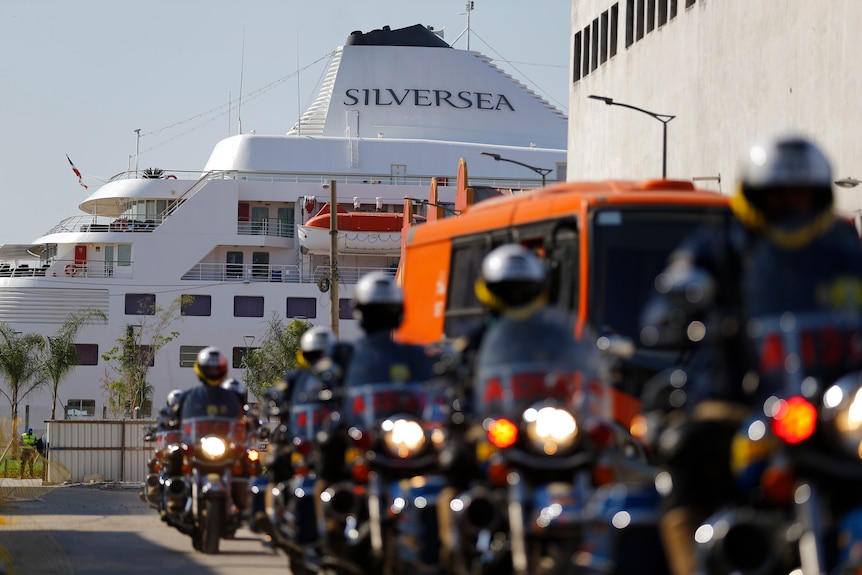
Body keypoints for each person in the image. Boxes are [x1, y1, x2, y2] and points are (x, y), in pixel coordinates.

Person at [639, 134, 862, 575]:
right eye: (778, 196)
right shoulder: (720, 242)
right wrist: (679, 306)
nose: (791, 204)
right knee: (688, 455)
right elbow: (670, 296)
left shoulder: (841, 247)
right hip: (738, 395)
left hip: (834, 401)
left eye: (802, 194)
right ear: (755, 196)